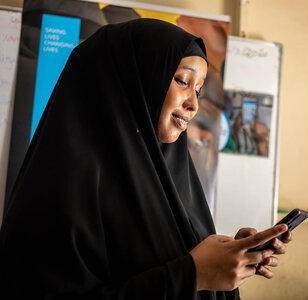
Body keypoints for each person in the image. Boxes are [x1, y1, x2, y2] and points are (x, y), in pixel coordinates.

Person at [0, 19, 291, 299]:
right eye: (182, 81)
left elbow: (172, 263)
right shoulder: (61, 188)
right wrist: (194, 275)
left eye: (198, 89)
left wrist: (229, 257)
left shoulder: (172, 176)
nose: (193, 104)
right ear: (134, 81)